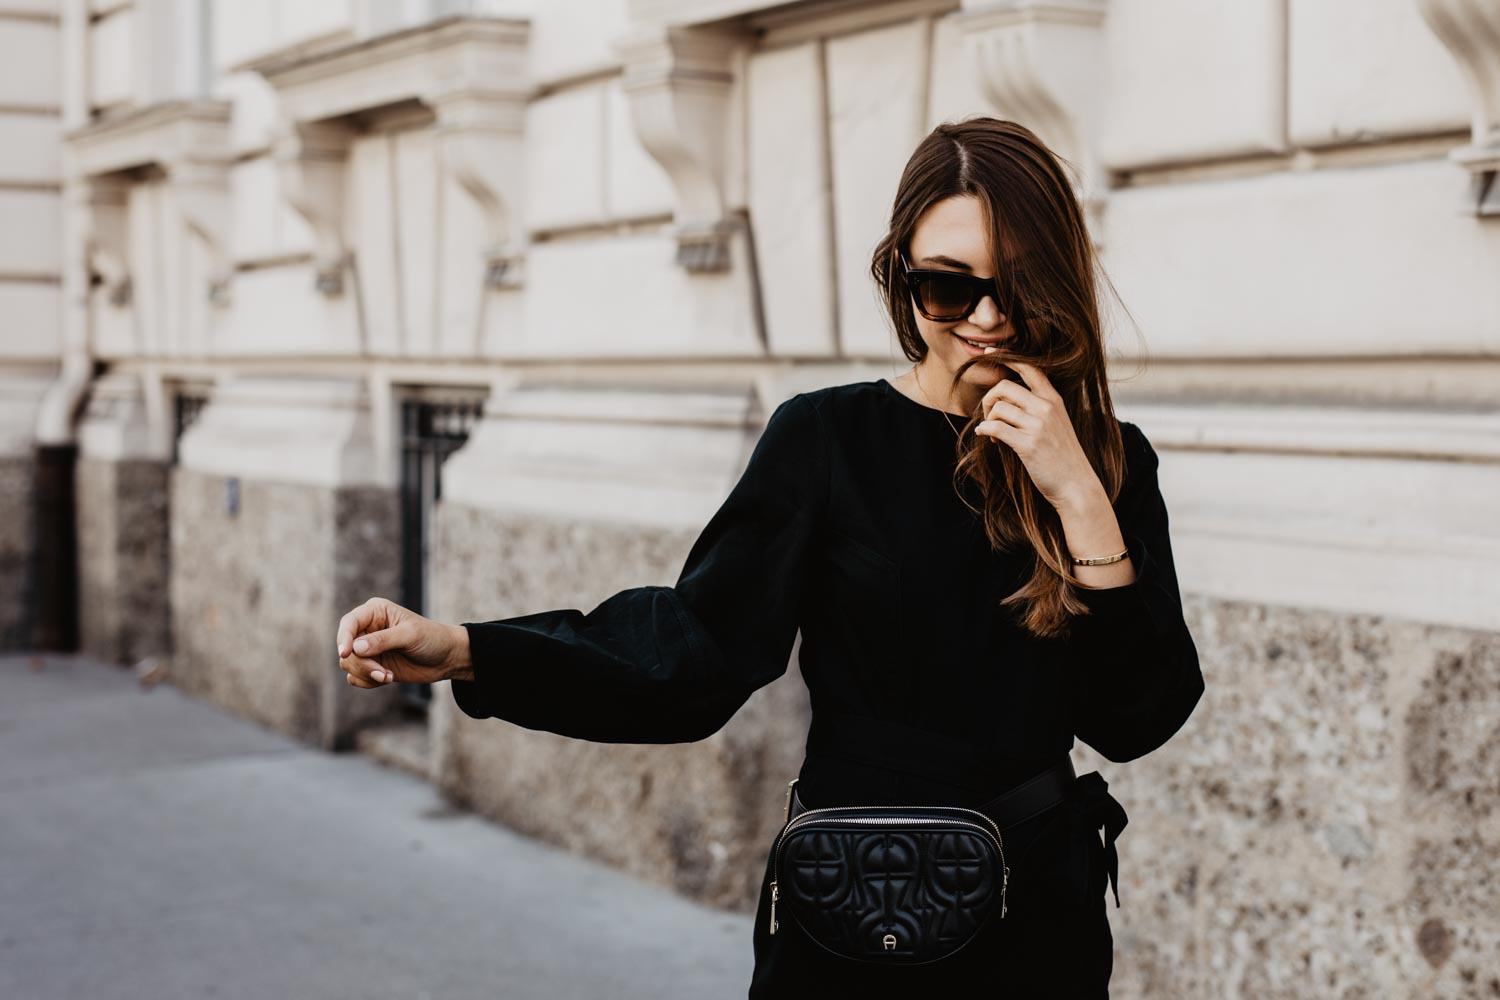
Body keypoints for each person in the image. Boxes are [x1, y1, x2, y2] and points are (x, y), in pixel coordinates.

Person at [335, 116, 1205, 998]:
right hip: (854, 916)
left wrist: (1080, 499)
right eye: (948, 287)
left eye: (1015, 285)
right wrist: (473, 650)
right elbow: (697, 650)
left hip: (1038, 934)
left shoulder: (1105, 458)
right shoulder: (826, 437)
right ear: (902, 278)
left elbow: (1138, 718)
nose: (985, 318)